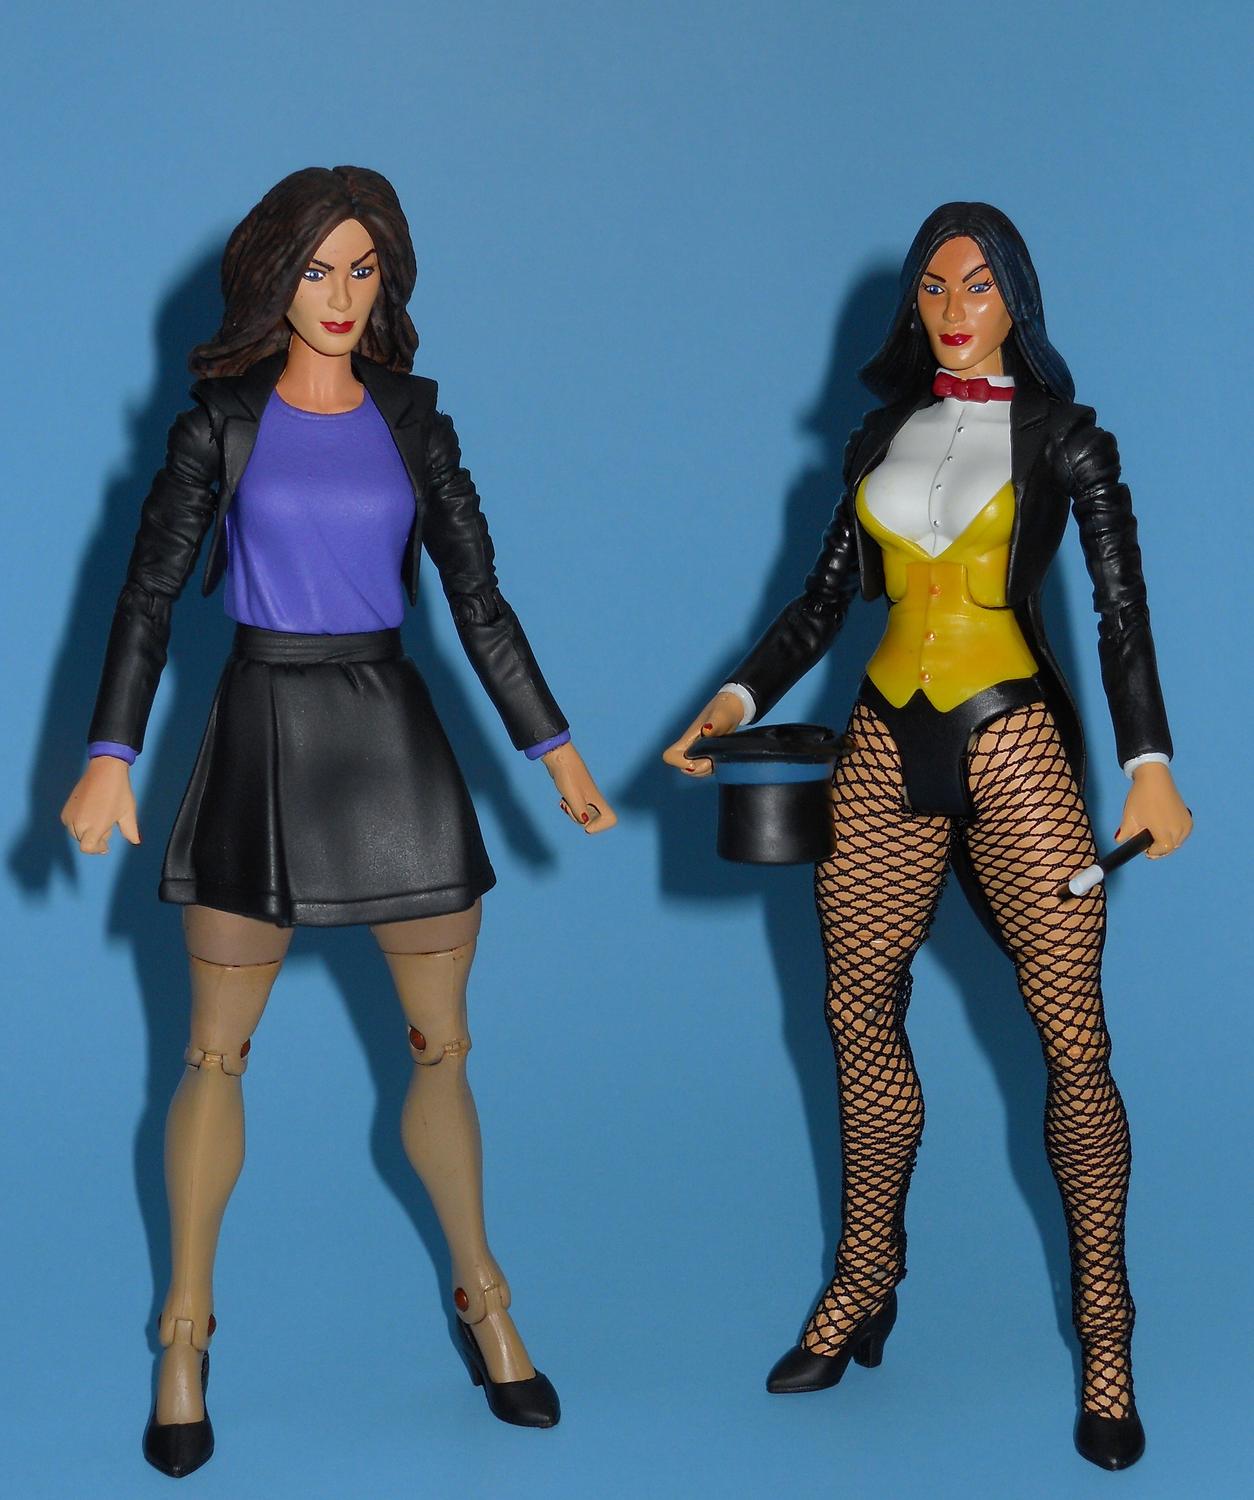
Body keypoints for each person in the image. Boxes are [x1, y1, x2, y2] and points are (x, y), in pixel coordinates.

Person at [60, 165, 615, 1478]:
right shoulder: (220, 424)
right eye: (318, 268)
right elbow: (147, 595)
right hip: (260, 731)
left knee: (442, 1049)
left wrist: (555, 749)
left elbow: (478, 599)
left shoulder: (416, 421)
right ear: (273, 279)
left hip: (391, 742)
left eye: (364, 269)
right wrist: (109, 751)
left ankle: (485, 1299)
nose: (342, 294)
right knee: (214, 1057)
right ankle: (185, 1334)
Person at [663, 201, 1190, 1471]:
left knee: (1073, 1040)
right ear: (915, 301)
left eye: (980, 285)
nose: (956, 308)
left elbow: (1121, 612)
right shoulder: (879, 436)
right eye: (936, 287)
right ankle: (865, 1274)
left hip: (1010, 736)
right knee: (856, 1010)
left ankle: (1107, 1333)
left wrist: (1151, 766)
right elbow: (819, 600)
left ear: (1017, 298)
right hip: (887, 736)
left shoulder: (1067, 437)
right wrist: (733, 702)